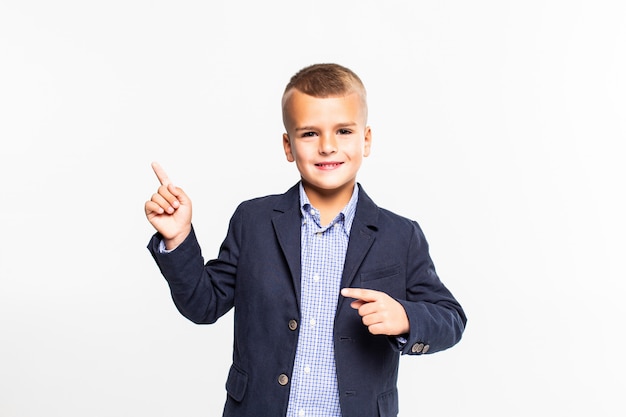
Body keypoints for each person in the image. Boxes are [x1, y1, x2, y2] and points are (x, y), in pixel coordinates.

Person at [145, 63, 466, 417]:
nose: (327, 147)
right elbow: (202, 305)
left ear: (366, 139)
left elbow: (450, 318)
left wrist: (406, 316)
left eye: (343, 130)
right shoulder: (253, 221)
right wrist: (178, 238)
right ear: (288, 145)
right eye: (310, 134)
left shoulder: (400, 235)